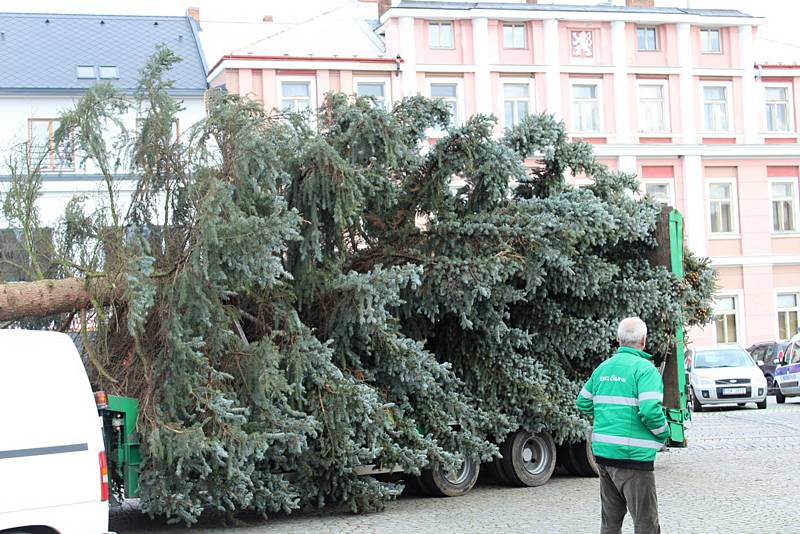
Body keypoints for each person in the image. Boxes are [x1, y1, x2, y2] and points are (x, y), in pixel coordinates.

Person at [576, 316, 670, 534]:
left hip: (604, 456)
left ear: (618, 339)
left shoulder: (603, 369)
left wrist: (605, 416)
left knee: (610, 523)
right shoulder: (645, 370)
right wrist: (663, 433)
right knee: (646, 524)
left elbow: (582, 401)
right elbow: (649, 410)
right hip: (634, 459)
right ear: (644, 341)